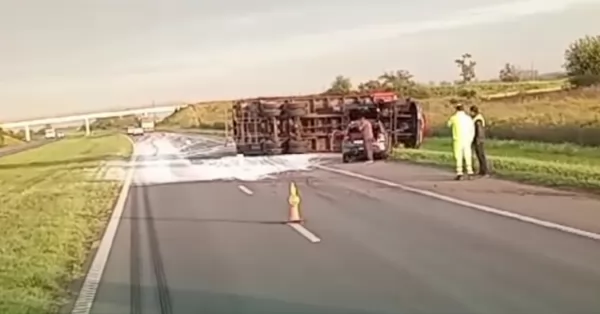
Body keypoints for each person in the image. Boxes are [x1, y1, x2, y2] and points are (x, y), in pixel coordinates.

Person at [447, 104, 475, 180]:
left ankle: (460, 172)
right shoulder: (468, 118)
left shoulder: (454, 118)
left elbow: (448, 124)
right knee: (467, 155)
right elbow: (472, 129)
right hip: (467, 139)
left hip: (457, 139)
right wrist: (470, 138)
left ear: (456, 109)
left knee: (458, 156)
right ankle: (470, 171)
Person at [470, 105, 490, 176]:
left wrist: (478, 140)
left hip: (479, 140)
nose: (470, 113)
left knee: (481, 155)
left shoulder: (478, 120)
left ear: (473, 112)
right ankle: (482, 170)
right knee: (479, 155)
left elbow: (479, 131)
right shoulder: (477, 118)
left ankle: (485, 171)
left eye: (471, 112)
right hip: (479, 139)